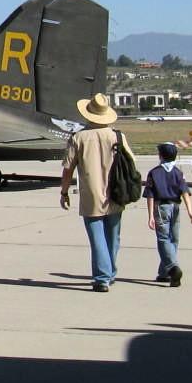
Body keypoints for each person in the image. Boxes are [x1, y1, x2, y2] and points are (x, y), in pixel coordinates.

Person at [59, 94, 132, 292]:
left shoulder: (79, 138)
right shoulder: (118, 136)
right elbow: (131, 163)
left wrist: (64, 192)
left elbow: (68, 168)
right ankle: (111, 272)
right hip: (116, 192)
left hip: (91, 194)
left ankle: (102, 277)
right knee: (113, 236)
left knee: (97, 237)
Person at [145, 142, 192, 286]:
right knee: (173, 239)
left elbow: (150, 196)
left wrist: (150, 216)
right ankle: (164, 273)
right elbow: (185, 193)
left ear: (161, 156)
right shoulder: (178, 172)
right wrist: (190, 213)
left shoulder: (154, 172)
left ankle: (173, 268)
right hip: (176, 207)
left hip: (161, 207)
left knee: (163, 239)